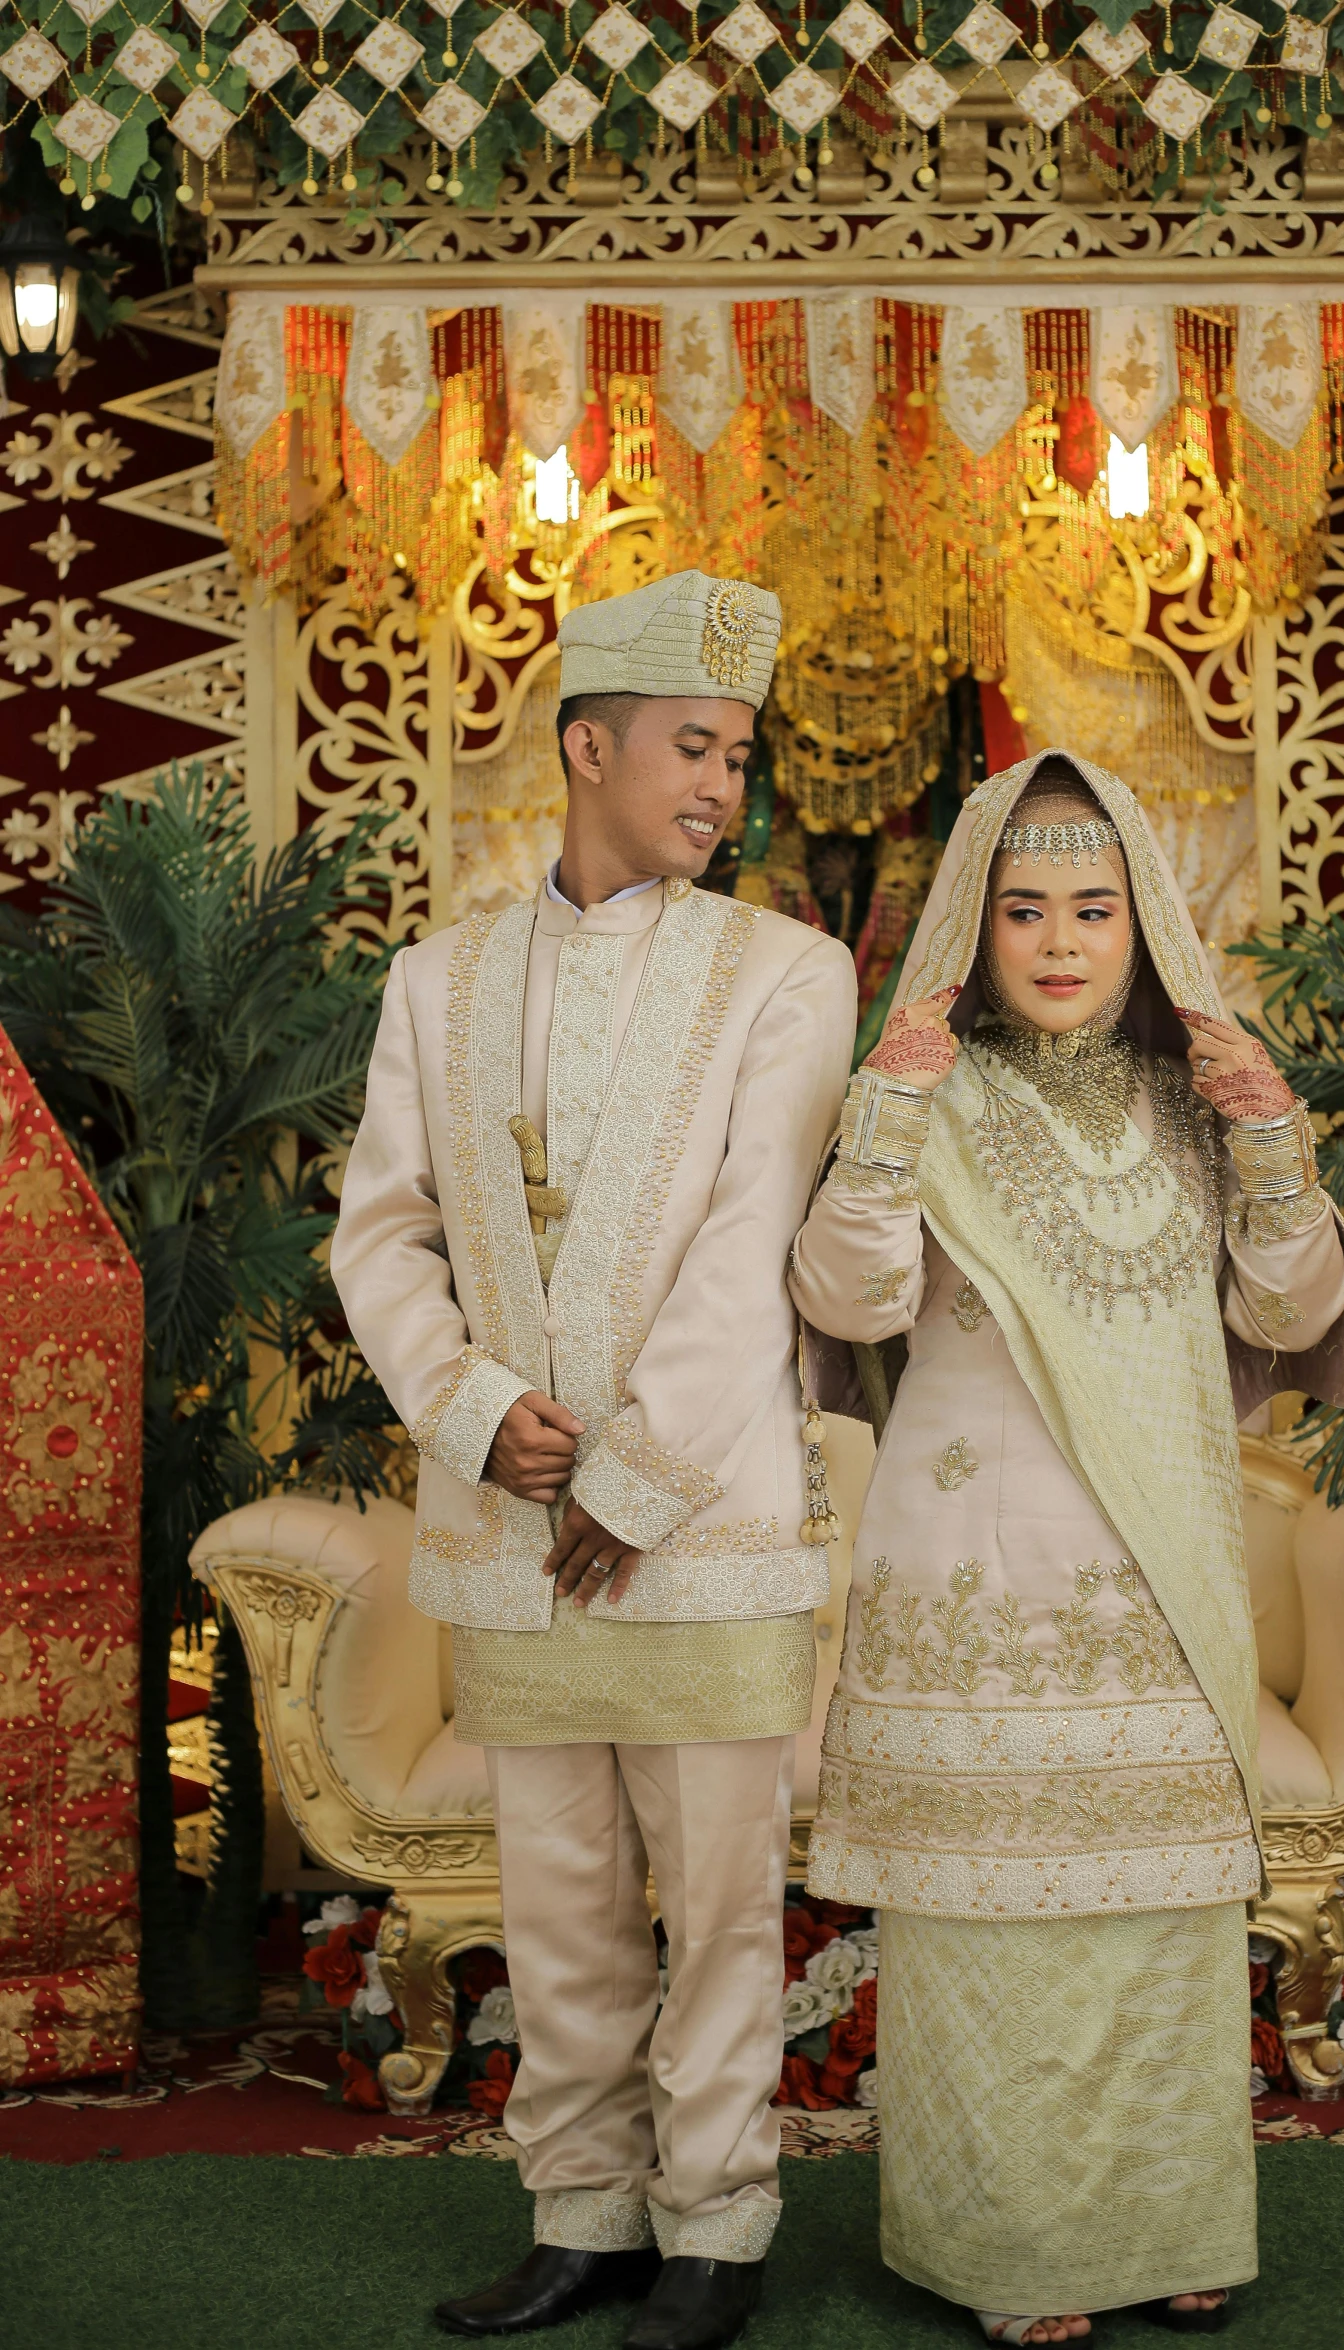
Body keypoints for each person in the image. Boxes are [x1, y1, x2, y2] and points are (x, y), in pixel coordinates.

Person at [333, 570, 858, 2350]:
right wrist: (479, 1412)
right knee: (556, 1892)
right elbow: (379, 1237)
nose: (720, 785)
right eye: (691, 748)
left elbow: (753, 1242)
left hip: (695, 1516)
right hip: (501, 1509)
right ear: (588, 745)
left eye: (738, 755)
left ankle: (715, 2228)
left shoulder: (792, 972)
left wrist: (623, 1476)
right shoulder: (440, 980)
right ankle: (583, 2218)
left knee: (717, 1898)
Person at [788, 751, 1344, 2344]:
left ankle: (1168, 2222)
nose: (1058, 941)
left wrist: (1270, 1148)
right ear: (972, 936)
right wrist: (891, 1106)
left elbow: (1289, 1313)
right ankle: (1016, 2248)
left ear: (1144, 928)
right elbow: (846, 1304)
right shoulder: (929, 1093)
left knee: (1160, 1916)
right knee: (993, 1920)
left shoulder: (1200, 1103)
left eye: (1092, 909)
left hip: (1155, 1562)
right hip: (977, 1568)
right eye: (1023, 910)